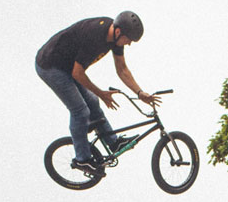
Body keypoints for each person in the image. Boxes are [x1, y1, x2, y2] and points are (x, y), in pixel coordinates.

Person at [36, 12, 160, 177]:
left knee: (92, 102)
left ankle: (113, 143)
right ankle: (82, 159)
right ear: (118, 32)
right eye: (128, 39)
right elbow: (78, 74)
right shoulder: (95, 37)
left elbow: (122, 69)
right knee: (81, 111)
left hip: (67, 67)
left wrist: (140, 92)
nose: (129, 44)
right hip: (50, 65)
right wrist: (102, 93)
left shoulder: (115, 37)